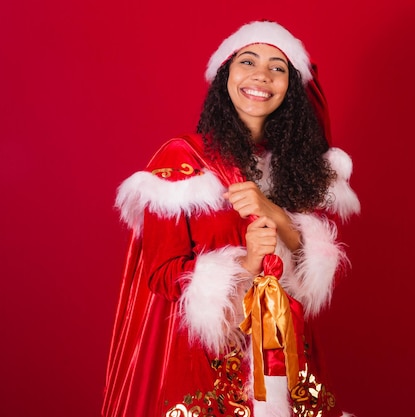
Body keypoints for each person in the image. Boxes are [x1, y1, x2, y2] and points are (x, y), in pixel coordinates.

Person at [102, 20, 360, 417]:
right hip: (205, 362)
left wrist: (275, 214)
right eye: (248, 61)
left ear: (290, 87)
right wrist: (247, 263)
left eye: (278, 67)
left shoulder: (301, 167)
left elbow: (323, 274)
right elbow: (160, 274)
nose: (261, 75)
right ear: (226, 74)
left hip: (285, 358)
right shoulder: (184, 160)